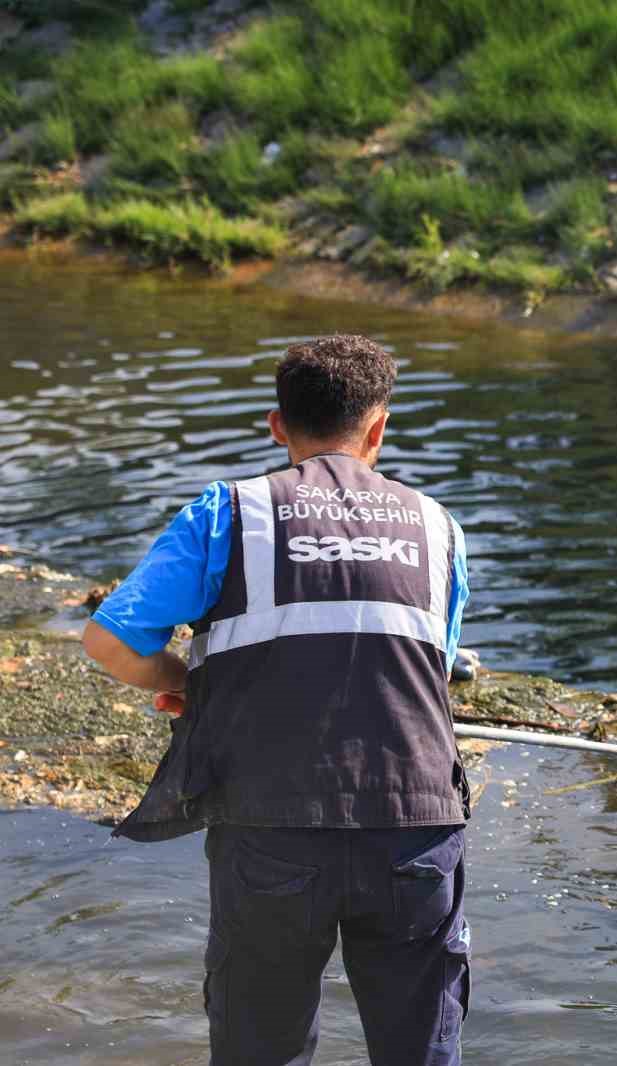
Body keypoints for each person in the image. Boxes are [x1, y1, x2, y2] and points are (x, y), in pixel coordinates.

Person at [82, 334, 473, 1066]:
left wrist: (187, 683)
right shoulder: (437, 528)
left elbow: (109, 642)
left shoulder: (229, 513)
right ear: (379, 427)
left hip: (271, 829)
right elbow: (428, 676)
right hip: (415, 831)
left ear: (276, 425)